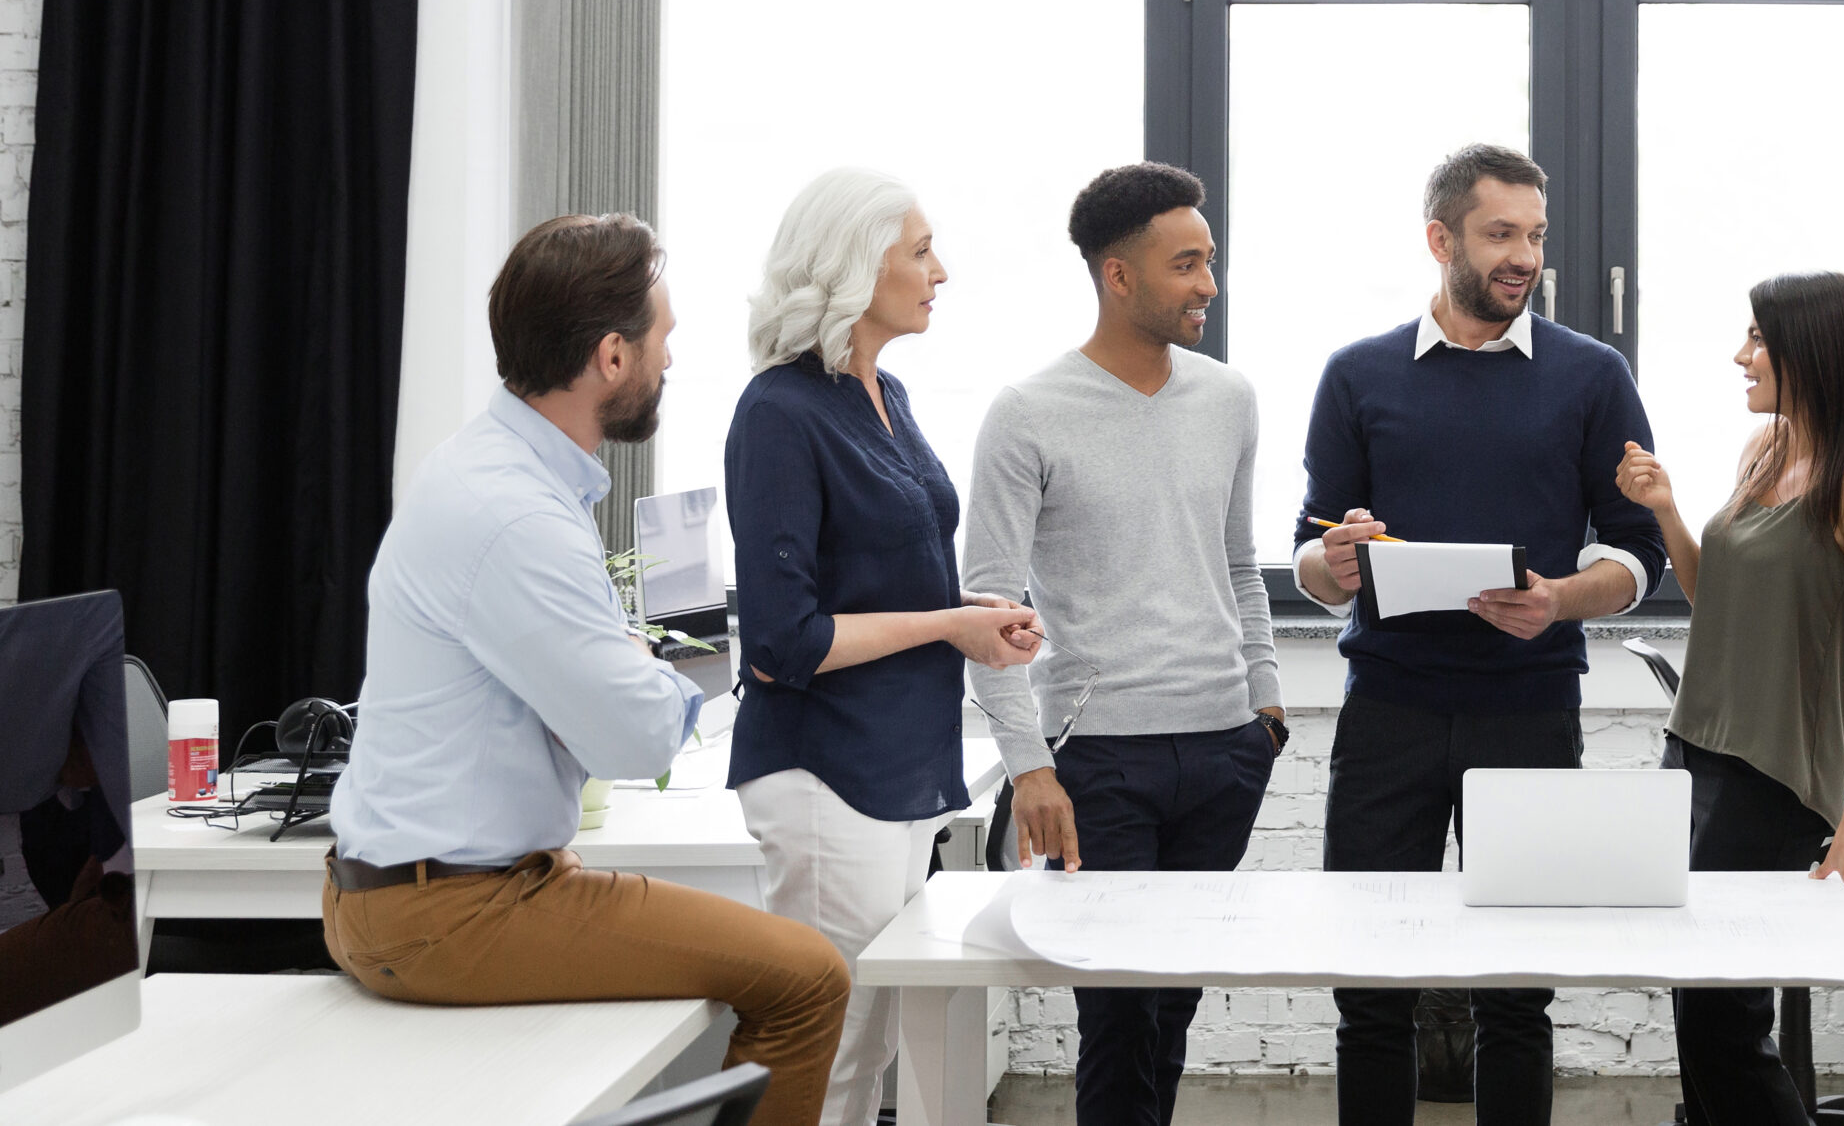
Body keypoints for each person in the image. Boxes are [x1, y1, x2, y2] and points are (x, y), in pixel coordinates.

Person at [326, 215, 850, 1126]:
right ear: (612, 355)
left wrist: (627, 663)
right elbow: (634, 736)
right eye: (663, 339)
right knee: (809, 976)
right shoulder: (518, 519)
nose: (670, 360)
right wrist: (672, 668)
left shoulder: (485, 471)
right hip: (450, 913)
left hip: (409, 890)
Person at [1291, 143, 1668, 1126]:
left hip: (1531, 712)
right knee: (1369, 985)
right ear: (1440, 239)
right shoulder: (1357, 375)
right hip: (1389, 713)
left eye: (1534, 236)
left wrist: (1559, 598)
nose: (1522, 257)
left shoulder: (1592, 376)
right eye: (1500, 234)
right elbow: (1313, 550)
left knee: (1518, 992)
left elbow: (1637, 554)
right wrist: (1333, 564)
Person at [962, 161, 1285, 1126]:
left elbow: (1239, 565)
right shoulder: (1027, 413)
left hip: (1225, 747)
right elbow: (989, 607)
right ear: (1118, 275)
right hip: (1095, 762)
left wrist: (1264, 704)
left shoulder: (1229, 398)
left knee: (1174, 1001)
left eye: (1211, 261)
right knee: (1115, 1015)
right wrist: (1030, 767)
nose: (1208, 286)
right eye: (1186, 264)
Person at [727, 169, 1041, 1126]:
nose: (939, 270)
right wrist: (949, 624)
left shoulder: (886, 393)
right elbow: (785, 640)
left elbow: (879, 575)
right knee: (830, 1041)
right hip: (827, 768)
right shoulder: (779, 412)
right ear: (852, 268)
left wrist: (966, 610)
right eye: (918, 250)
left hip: (902, 757)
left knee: (865, 1048)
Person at [1615, 271, 1844, 1126]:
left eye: (1758, 340)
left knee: (1726, 1018)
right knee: (1695, 1002)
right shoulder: (1765, 452)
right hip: (1697, 746)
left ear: (1809, 352)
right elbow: (1725, 605)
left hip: (1772, 772)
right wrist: (1669, 513)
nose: (1741, 355)